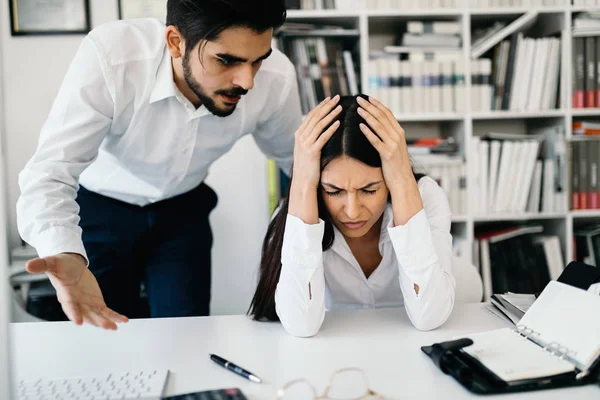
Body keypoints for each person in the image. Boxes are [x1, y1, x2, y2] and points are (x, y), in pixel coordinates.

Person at [16, 0, 302, 330]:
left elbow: (297, 163)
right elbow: (50, 170)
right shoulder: (114, 57)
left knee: (185, 336)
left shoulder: (276, 80)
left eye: (257, 62)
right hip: (99, 211)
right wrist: (64, 251)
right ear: (175, 42)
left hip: (183, 213)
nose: (247, 81)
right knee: (105, 339)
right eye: (226, 60)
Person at [249, 95, 456, 337]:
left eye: (369, 190)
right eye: (333, 191)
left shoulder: (425, 197)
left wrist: (402, 181)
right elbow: (300, 325)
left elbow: (429, 317)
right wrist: (302, 184)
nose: (352, 211)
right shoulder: (297, 208)